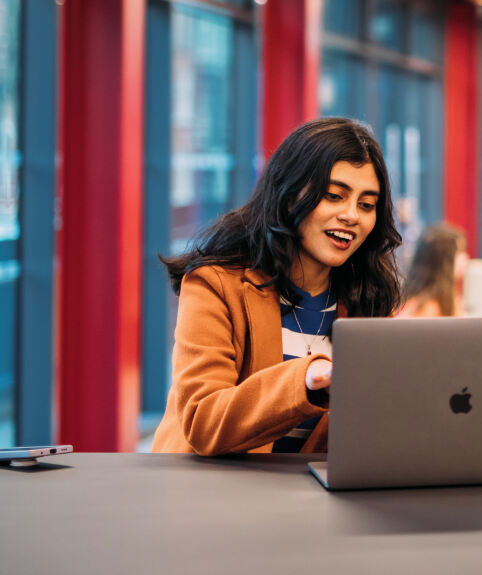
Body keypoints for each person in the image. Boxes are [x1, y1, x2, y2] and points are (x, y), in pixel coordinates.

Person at [150, 117, 402, 455]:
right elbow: (203, 420)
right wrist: (307, 380)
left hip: (307, 499)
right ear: (288, 196)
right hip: (209, 495)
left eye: (366, 205)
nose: (351, 215)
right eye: (333, 196)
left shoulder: (366, 301)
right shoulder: (215, 285)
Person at [397, 223, 468, 318]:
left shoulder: (449, 301)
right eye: (460, 252)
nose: (465, 258)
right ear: (443, 260)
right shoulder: (427, 309)